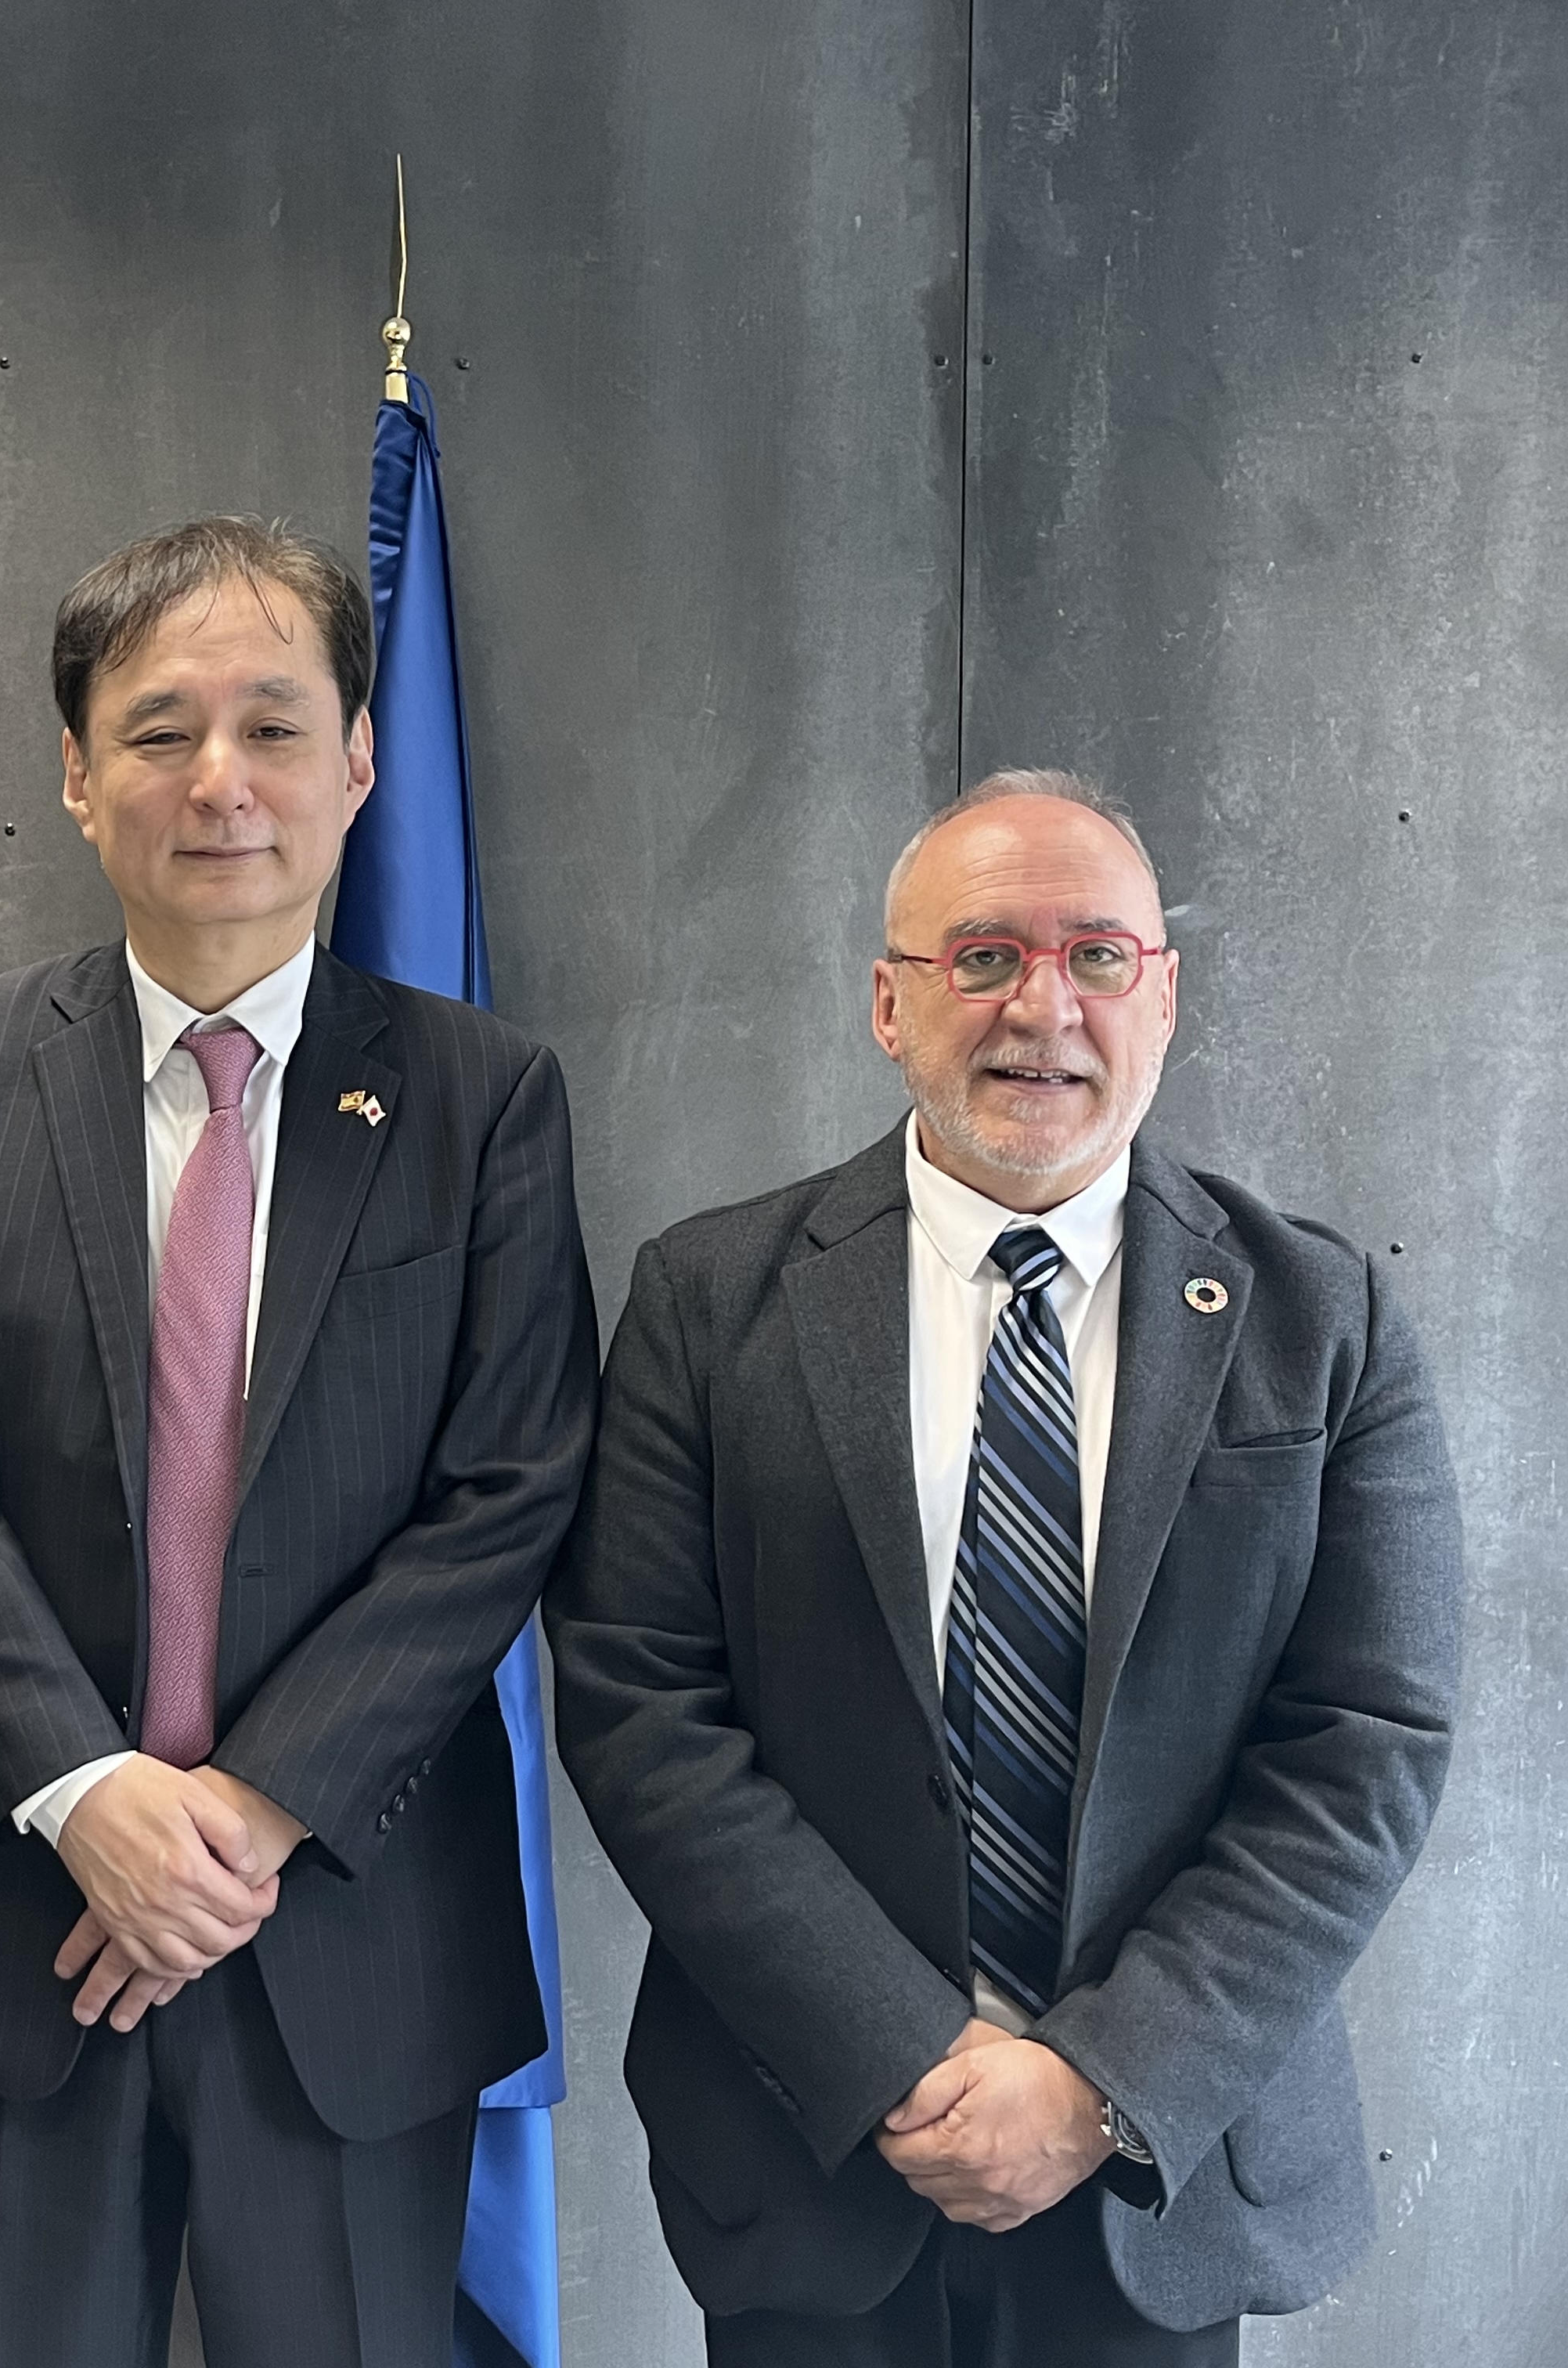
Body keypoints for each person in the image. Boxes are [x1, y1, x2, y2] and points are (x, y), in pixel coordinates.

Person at [547, 770, 1464, 2365]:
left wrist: (1100, 2081)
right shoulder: (707, 1301)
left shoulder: (1323, 1321)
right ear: (889, 1004)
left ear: (1162, 999)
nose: (1044, 1007)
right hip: (816, 2144)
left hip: (1163, 2166)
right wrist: (906, 2053)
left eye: (1098, 955)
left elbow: (1366, 1745)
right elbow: (641, 1707)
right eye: (983, 956)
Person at [0, 518, 598, 2366]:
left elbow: (507, 1492)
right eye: (159, 731)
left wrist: (242, 1817)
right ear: (77, 776)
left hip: (349, 1922)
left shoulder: (482, 1098)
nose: (218, 781)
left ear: (360, 761)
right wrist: (90, 1795)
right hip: (25, 1911)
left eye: (272, 725)